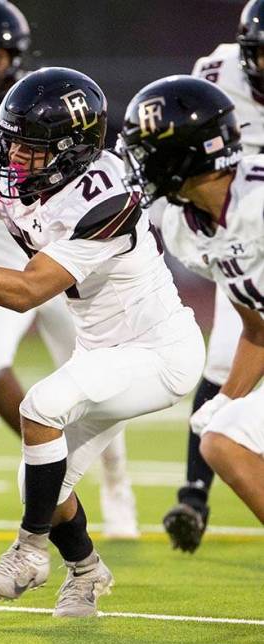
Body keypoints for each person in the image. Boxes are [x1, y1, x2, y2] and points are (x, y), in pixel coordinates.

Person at [0, 68, 204, 617]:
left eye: (31, 147)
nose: (14, 158)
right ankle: (87, 572)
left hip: (158, 352)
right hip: (100, 350)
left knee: (41, 406)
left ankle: (28, 551)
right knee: (38, 479)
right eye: (13, 140)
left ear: (72, 151)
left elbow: (28, 291)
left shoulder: (105, 198)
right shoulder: (20, 171)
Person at [0, 0, 137, 538]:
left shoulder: (41, 99)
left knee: (94, 382)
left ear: (15, 58)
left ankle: (117, 484)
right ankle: (54, 461)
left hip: (63, 255)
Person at [121, 75, 264, 524]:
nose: (140, 165)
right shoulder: (187, 226)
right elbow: (258, 327)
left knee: (223, 441)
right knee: (220, 437)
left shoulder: (257, 198)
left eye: (148, 152)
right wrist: (228, 396)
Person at [162, 0, 264, 550]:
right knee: (222, 414)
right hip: (236, 227)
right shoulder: (217, 74)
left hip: (249, 218)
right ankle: (194, 495)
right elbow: (257, 326)